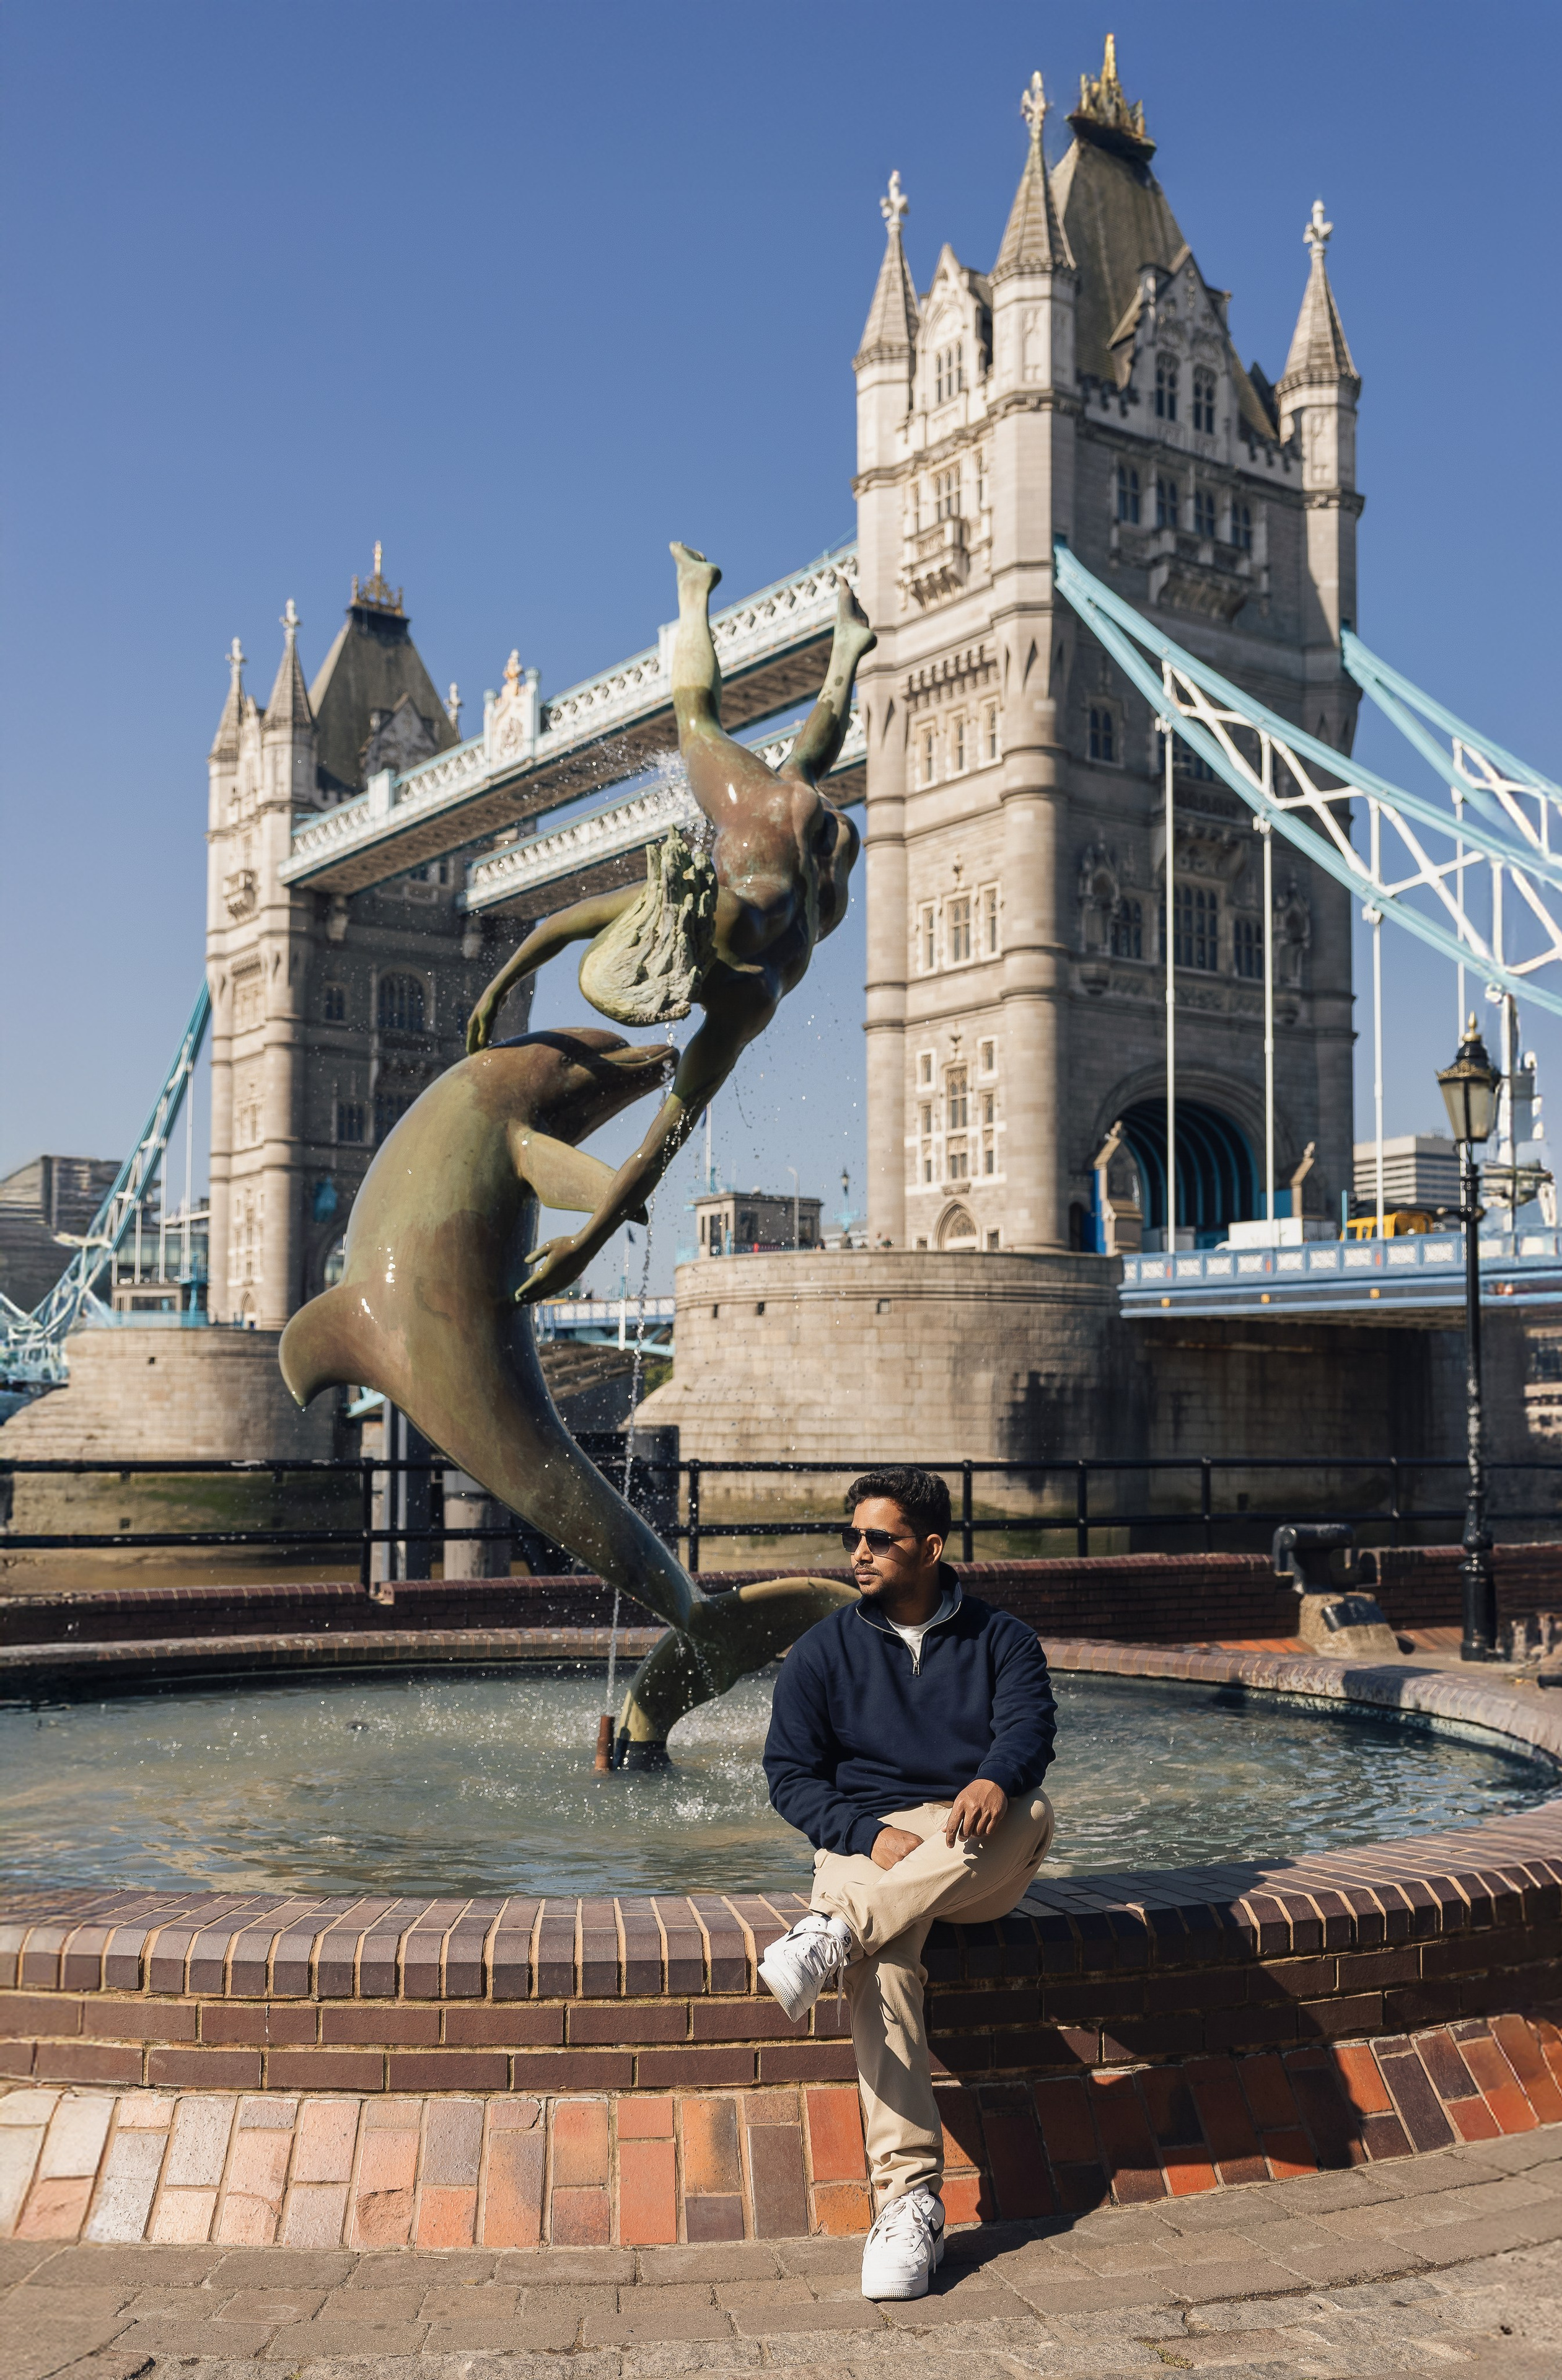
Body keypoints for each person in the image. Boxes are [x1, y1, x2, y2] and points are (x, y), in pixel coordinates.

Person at [466, 542, 871, 1302]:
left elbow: (653, 1152)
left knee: (758, 750)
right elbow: (562, 922)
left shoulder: (745, 1003)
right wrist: (499, 986)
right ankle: (708, 598)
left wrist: (584, 1248)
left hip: (828, 877)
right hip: (786, 827)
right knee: (720, 733)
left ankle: (830, 646)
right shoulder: (703, 902)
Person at [759, 1467, 1056, 2301]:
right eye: (852, 1537)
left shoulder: (1005, 1640)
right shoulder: (823, 1651)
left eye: (879, 1539)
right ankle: (910, 2204)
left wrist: (997, 1778)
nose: (859, 1552)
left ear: (930, 1547)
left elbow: (1029, 1728)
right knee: (881, 1966)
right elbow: (789, 1776)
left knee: (1030, 1812)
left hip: (974, 1846)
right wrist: (866, 1834)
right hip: (872, 1843)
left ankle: (831, 1929)